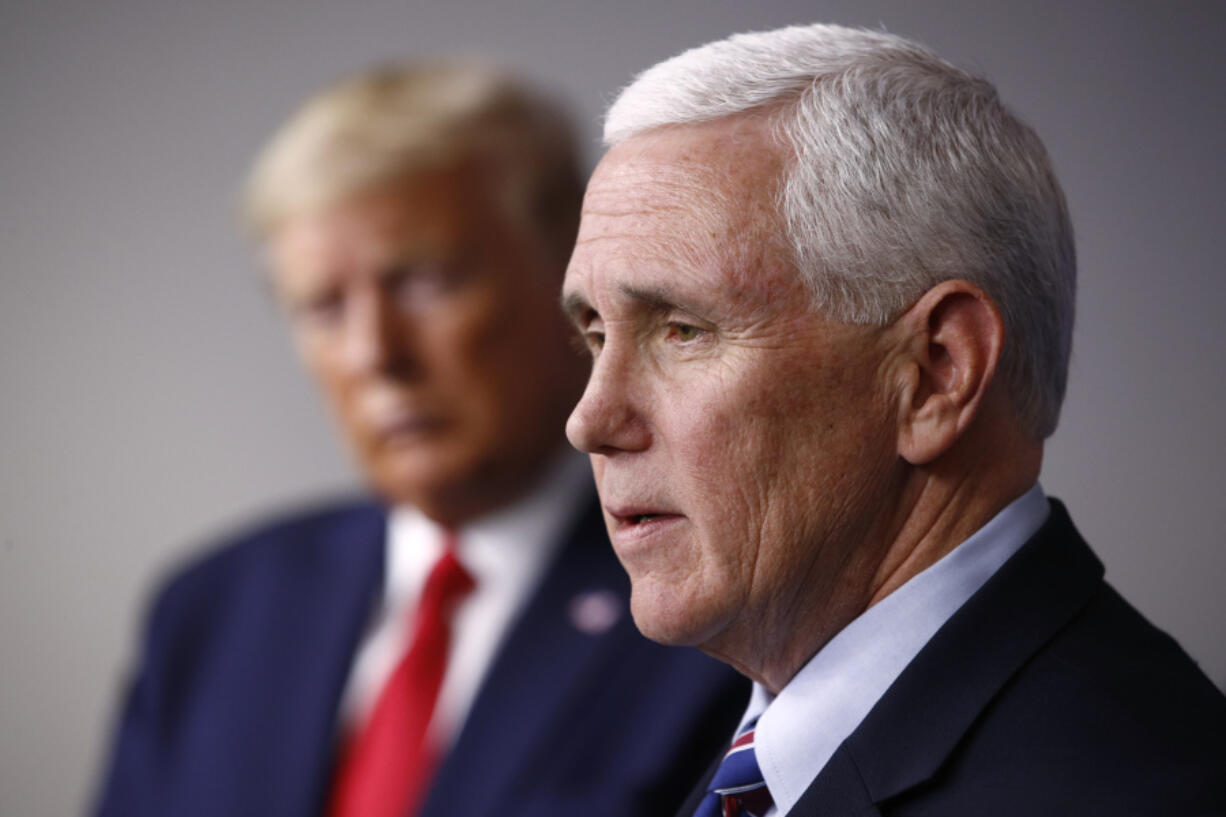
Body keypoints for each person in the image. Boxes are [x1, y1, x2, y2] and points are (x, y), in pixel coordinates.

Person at [561, 23, 1226, 817]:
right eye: (595, 333)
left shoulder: (1136, 790)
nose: (590, 420)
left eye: (682, 330)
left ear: (935, 374)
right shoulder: (760, 754)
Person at [94, 62, 747, 817]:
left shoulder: (713, 606)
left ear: (573, 277)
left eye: (425, 281)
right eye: (323, 306)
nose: (376, 353)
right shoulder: (214, 610)